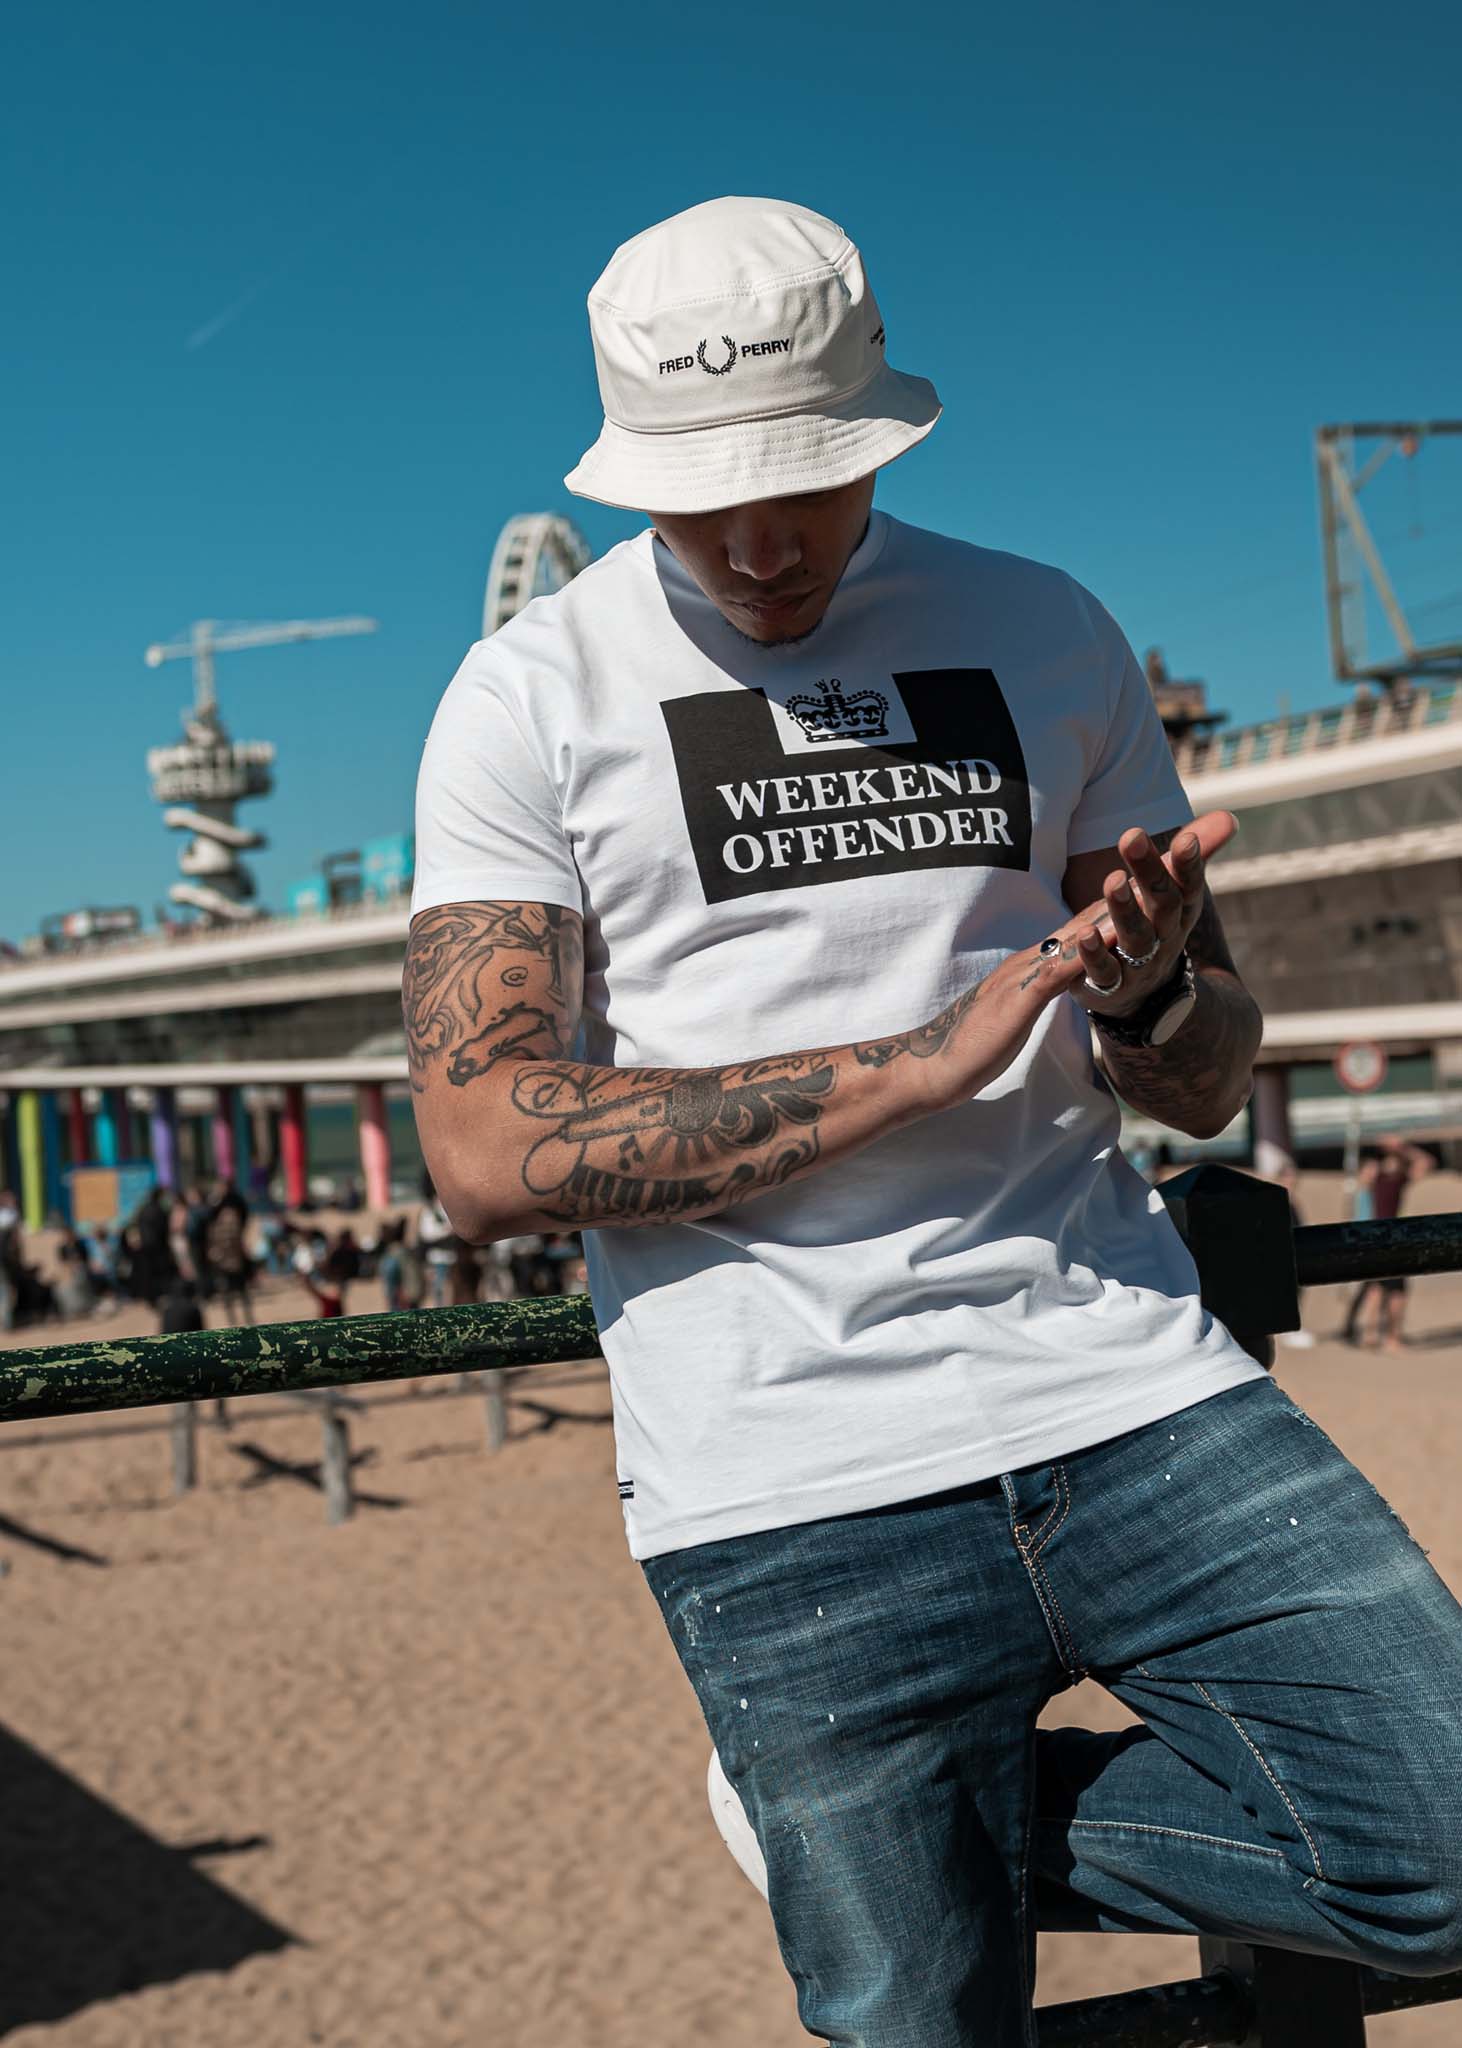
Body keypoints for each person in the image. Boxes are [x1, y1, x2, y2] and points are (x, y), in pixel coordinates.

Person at [403, 197, 1462, 2042]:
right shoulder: (528, 694)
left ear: (877, 429)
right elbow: (486, 1149)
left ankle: (866, 1825)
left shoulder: (1043, 627)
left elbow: (1205, 1077)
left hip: (1127, 1382)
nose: (755, 544)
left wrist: (1146, 994)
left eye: (799, 483)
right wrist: (910, 1065)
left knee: (1440, 1852)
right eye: (699, 499)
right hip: (782, 1473)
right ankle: (861, 1824)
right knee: (925, 2019)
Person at [1342, 1134, 1433, 1351]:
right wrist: (1400, 1147)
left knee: (1379, 1289)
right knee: (1386, 1290)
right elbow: (1425, 1162)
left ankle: (1376, 1335)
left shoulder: (1392, 1179)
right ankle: (1385, 1337)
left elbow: (1425, 1163)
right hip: (1383, 1240)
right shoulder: (1382, 1178)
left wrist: (1400, 1147)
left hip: (1382, 1240)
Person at [203, 1182, 255, 1328]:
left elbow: (233, 1236)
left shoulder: (228, 1211)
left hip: (230, 1259)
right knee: (233, 1293)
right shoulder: (219, 1209)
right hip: (228, 1259)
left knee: (237, 1292)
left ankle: (242, 1320)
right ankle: (240, 1320)